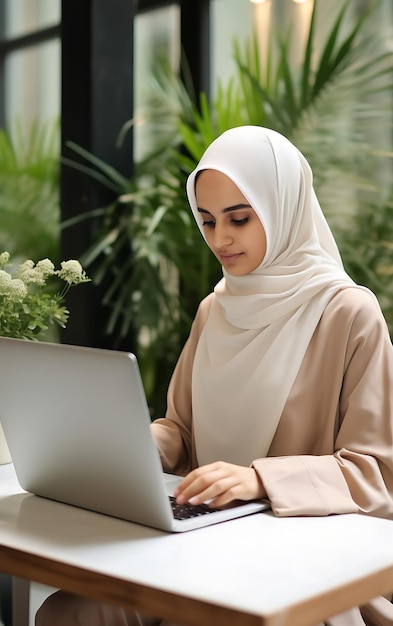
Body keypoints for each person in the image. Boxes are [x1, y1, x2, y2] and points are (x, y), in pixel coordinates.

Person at [36, 126, 393, 626]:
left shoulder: (349, 314)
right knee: (66, 612)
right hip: (203, 541)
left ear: (282, 208)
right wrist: (125, 446)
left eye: (240, 219)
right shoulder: (215, 309)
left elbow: (374, 473)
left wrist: (258, 480)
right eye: (206, 220)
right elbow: (180, 429)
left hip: (298, 561)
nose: (219, 239)